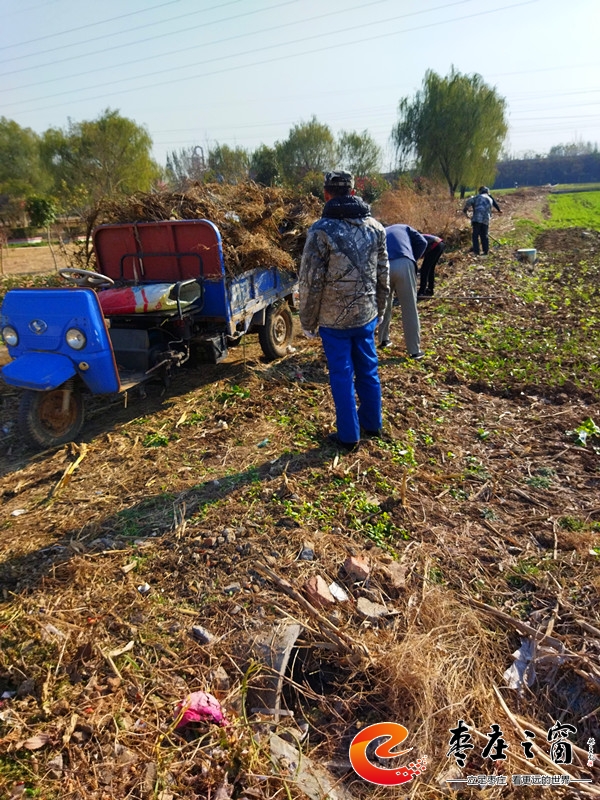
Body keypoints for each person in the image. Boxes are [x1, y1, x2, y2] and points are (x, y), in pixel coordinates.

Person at [299, 170, 389, 451]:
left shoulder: (320, 231)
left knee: (341, 375)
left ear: (326, 194)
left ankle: (349, 437)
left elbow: (310, 281)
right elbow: (383, 274)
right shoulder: (376, 228)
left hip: (333, 321)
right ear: (352, 192)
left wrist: (307, 321)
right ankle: (372, 424)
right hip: (366, 316)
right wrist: (380, 309)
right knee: (368, 370)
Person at [377, 223, 427, 358]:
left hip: (383, 266)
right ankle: (414, 350)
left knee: (384, 305)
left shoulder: (380, 231)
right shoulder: (404, 227)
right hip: (404, 262)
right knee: (409, 308)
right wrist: (412, 258)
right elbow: (422, 242)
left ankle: (383, 340)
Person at [462, 186, 502, 256]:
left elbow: (469, 202)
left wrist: (465, 210)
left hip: (477, 218)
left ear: (480, 191)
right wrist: (499, 210)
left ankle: (476, 251)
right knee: (484, 235)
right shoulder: (490, 199)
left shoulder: (477, 197)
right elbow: (494, 205)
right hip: (486, 219)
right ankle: (485, 251)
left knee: (475, 235)